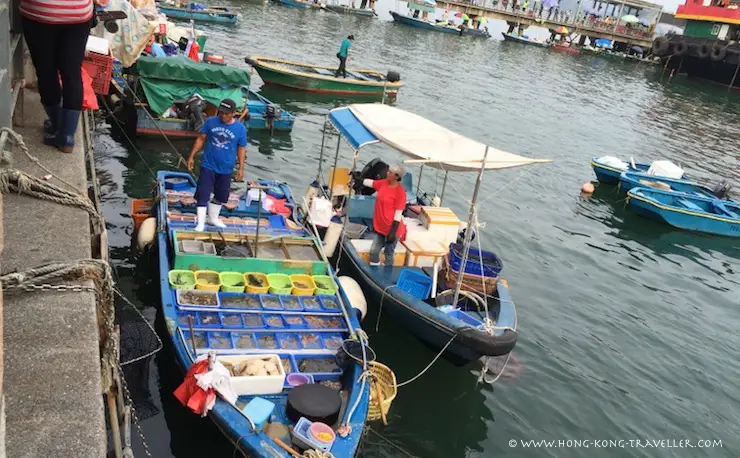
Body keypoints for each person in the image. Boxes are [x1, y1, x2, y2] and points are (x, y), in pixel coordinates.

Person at [20, 0, 95, 153]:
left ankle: (56, 124)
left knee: (46, 70)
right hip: (78, 13)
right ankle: (66, 137)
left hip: (41, 10)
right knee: (72, 72)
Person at [186, 99, 247, 232]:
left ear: (233, 113)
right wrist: (191, 156)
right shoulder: (210, 122)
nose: (222, 115)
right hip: (208, 165)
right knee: (203, 193)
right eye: (221, 112)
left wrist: (241, 168)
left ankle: (213, 218)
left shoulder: (240, 129)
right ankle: (200, 223)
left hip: (226, 168)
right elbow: (201, 139)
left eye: (226, 113)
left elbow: (241, 148)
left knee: (221, 195)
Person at [362, 164, 407, 267]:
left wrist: (392, 232)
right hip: (381, 228)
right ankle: (375, 269)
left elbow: (398, 214)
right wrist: (359, 179)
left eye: (390, 173)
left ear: (396, 176)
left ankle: (387, 274)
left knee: (388, 253)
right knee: (374, 251)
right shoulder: (383, 184)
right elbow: (372, 183)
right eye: (388, 171)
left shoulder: (400, 192)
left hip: (392, 230)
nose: (387, 173)